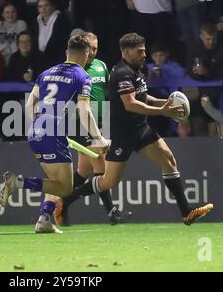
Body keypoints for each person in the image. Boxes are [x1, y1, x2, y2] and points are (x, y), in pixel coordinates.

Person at [55, 33, 214, 226]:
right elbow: (130, 104)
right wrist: (162, 111)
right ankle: (65, 201)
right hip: (122, 134)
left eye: (144, 51)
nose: (144, 55)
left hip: (141, 129)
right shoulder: (121, 73)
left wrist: (166, 103)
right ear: (127, 52)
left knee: (168, 159)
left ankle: (186, 213)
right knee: (107, 181)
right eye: (140, 52)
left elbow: (144, 98)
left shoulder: (138, 71)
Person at [0, 34, 109, 233]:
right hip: (54, 134)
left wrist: (41, 125)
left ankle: (44, 219)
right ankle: (18, 182)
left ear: (67, 52)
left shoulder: (46, 73)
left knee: (54, 183)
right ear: (85, 54)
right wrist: (98, 138)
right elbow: (84, 110)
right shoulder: (82, 76)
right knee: (65, 188)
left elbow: (30, 104)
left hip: (36, 132)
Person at [53, 31, 123, 226]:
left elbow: (108, 92)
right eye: (89, 49)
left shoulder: (101, 66)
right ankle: (112, 212)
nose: (92, 52)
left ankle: (62, 203)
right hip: (82, 121)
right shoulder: (75, 69)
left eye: (95, 49)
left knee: (83, 172)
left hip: (103, 119)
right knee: (100, 161)